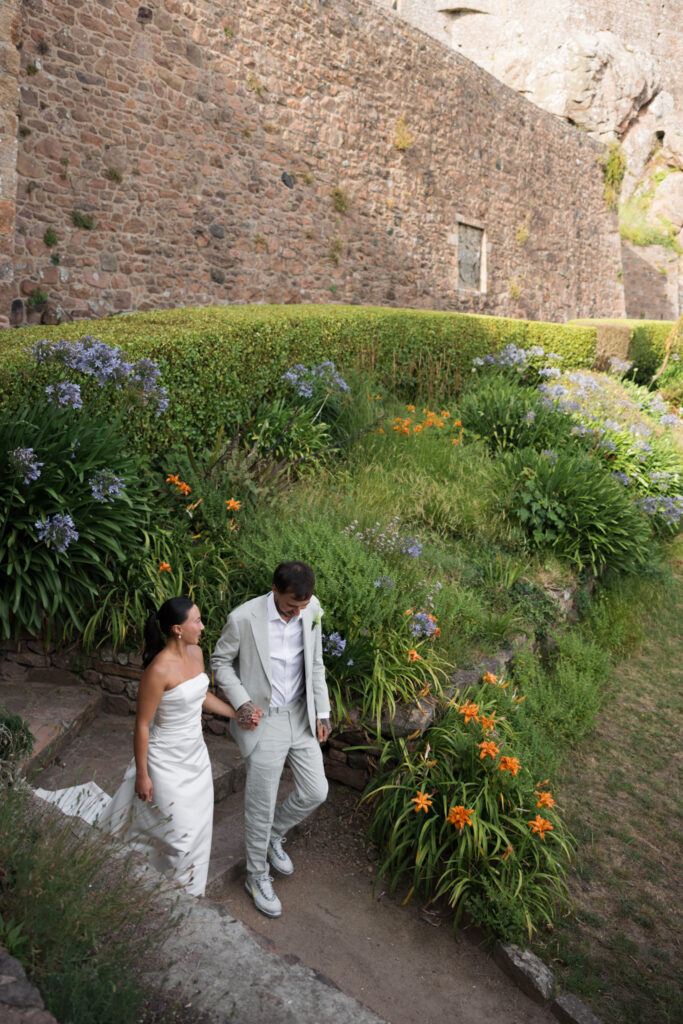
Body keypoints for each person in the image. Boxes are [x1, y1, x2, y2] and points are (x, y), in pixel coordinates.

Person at [35, 597, 241, 897]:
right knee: (180, 834)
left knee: (196, 828)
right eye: (196, 621)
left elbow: (200, 695)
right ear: (177, 629)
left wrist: (235, 713)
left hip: (196, 757)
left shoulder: (196, 653)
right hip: (164, 761)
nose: (203, 626)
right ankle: (171, 891)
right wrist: (142, 774)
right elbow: (142, 725)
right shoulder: (158, 670)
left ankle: (183, 891)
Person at [211, 561, 331, 918]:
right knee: (259, 804)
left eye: (303, 606)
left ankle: (272, 837)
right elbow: (220, 663)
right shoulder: (244, 618)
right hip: (263, 721)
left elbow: (317, 663)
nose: (298, 613)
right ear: (275, 590)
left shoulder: (312, 609)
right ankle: (256, 876)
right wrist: (242, 702)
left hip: (300, 714)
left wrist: (321, 711)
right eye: (291, 605)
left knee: (315, 791)